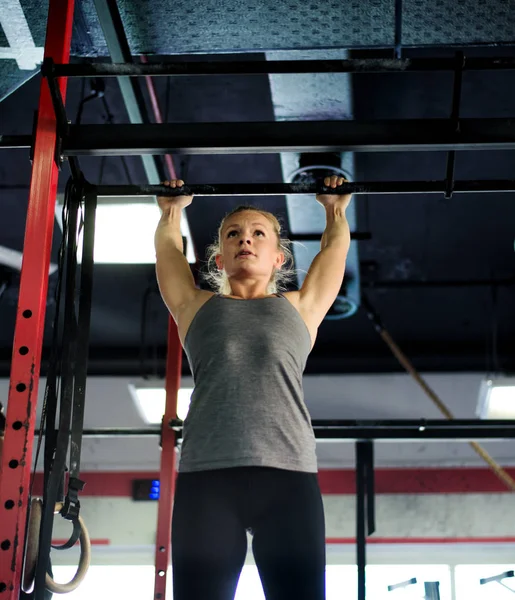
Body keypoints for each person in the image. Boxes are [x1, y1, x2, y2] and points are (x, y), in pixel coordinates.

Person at [155, 175, 352, 600]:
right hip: (206, 476)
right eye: (234, 234)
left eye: (258, 233)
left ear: (279, 257)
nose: (246, 240)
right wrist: (171, 211)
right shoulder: (194, 308)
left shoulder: (301, 307)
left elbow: (333, 252)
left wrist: (334, 209)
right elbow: (169, 252)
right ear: (219, 258)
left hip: (289, 476)